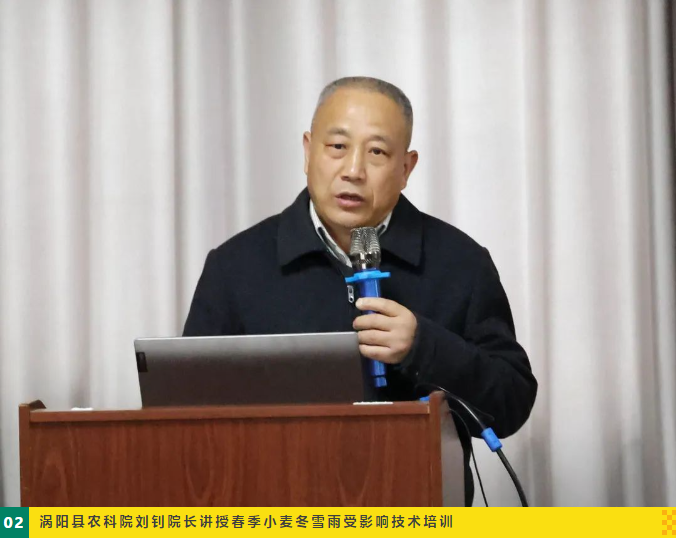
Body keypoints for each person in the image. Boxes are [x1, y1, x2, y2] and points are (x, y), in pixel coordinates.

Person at [183, 76, 538, 506]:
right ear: (307, 151)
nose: (353, 170)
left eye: (377, 152)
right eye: (337, 146)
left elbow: (512, 403)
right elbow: (183, 419)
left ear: (406, 169)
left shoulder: (461, 263)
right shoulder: (235, 266)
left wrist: (424, 347)